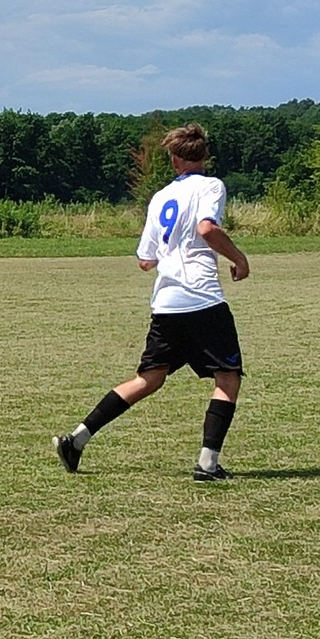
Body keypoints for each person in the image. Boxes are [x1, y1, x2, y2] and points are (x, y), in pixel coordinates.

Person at [53, 124, 249, 482]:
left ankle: (76, 439)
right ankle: (207, 465)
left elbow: (146, 260)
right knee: (227, 377)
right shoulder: (211, 186)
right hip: (202, 298)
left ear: (174, 160)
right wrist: (239, 258)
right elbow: (207, 228)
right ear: (205, 156)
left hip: (166, 303)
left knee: (149, 379)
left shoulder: (159, 198)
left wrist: (169, 253)